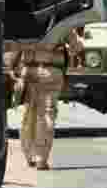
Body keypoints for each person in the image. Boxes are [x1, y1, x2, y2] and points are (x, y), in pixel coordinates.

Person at [8, 42, 67, 170]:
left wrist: (12, 68)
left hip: (28, 72)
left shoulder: (26, 23)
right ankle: (41, 159)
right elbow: (77, 47)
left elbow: (15, 48)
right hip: (50, 72)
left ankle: (29, 155)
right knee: (46, 114)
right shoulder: (59, 25)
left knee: (29, 114)